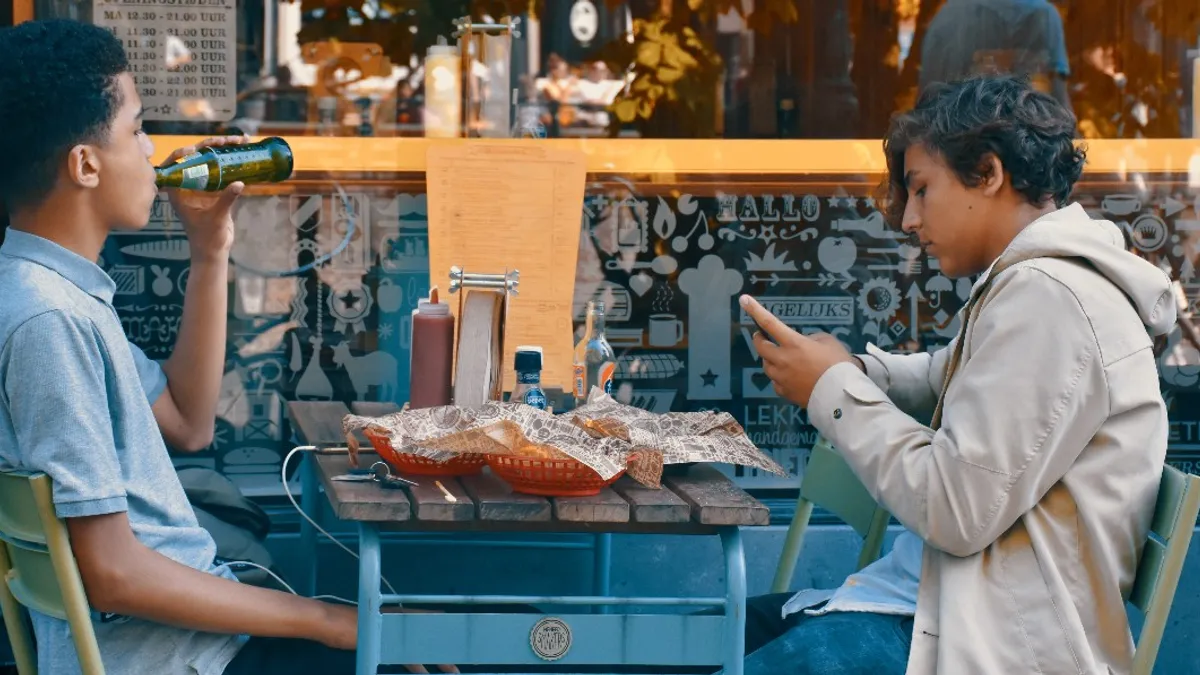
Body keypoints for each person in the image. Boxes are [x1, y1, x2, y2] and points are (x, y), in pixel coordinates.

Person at [0, 19, 453, 675]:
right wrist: (324, 619)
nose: (153, 150)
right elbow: (112, 572)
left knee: (411, 641)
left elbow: (188, 423)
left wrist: (209, 251)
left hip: (187, 643)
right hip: (175, 657)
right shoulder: (48, 318)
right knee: (425, 644)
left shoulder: (52, 291)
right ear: (85, 164)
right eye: (136, 130)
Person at [737, 74, 1173, 674]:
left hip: (986, 642)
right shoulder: (1034, 283)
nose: (909, 220)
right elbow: (949, 373)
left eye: (922, 190)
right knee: (714, 635)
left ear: (989, 174)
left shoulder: (1050, 300)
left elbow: (954, 510)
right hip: (943, 606)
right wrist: (852, 369)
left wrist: (831, 391)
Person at [919, 0, 1073, 112]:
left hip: (955, 141)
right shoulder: (1043, 14)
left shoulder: (945, 16)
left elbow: (927, 101)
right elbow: (1059, 101)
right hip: (1025, 143)